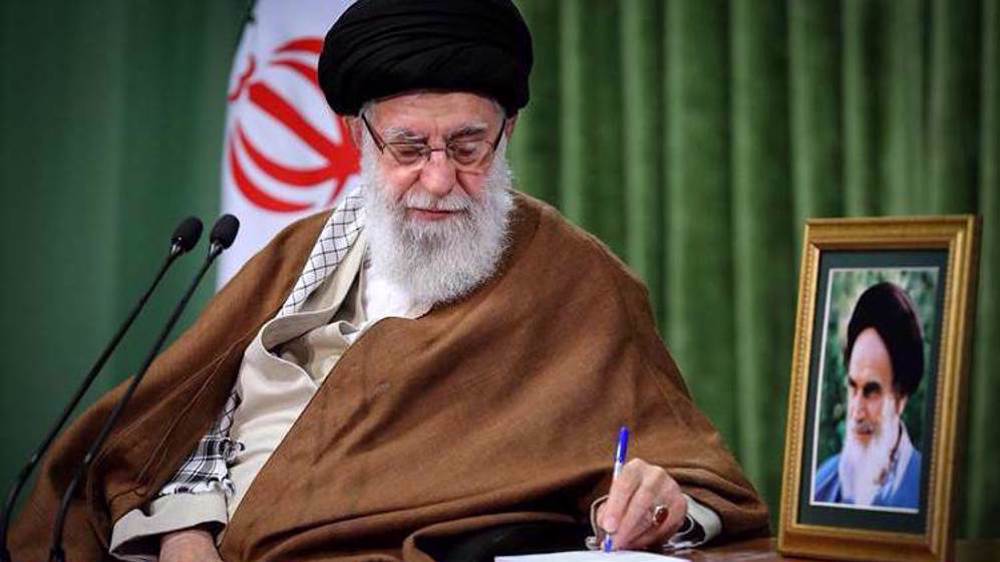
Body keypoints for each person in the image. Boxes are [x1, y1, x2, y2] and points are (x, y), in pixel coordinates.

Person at [10, 1, 768, 560]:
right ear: (358, 138)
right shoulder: (297, 254)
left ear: (508, 133)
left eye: (469, 145)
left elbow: (690, 481)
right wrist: (183, 529)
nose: (439, 179)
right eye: (409, 147)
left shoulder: (578, 279)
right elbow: (185, 425)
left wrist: (661, 504)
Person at [814, 281, 925, 509]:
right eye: (853, 387)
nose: (856, 411)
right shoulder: (822, 485)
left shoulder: (929, 494)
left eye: (871, 392)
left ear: (900, 397)